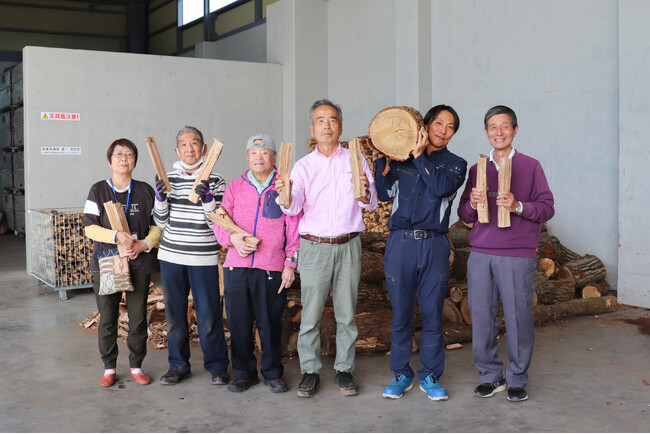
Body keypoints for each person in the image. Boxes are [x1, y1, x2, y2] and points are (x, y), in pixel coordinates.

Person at [275, 99, 378, 398]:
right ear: (312, 128)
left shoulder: (356, 160)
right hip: (315, 247)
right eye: (320, 120)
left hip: (348, 245)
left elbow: (369, 203)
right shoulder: (304, 165)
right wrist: (286, 194)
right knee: (312, 314)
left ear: (340, 126)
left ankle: (344, 370)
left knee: (347, 313)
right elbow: (293, 209)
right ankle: (309, 370)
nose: (326, 125)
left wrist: (366, 189)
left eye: (332, 120)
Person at [458, 105, 555, 402]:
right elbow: (464, 214)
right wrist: (473, 203)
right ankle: (490, 376)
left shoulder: (531, 166)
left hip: (517, 253)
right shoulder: (477, 168)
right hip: (481, 253)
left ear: (514, 129)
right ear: (486, 132)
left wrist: (518, 206)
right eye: (492, 127)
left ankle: (517, 378)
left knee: (517, 317)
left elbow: (547, 208)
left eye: (504, 126)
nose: (498, 132)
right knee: (482, 317)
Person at [375, 105, 467, 401]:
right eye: (438, 123)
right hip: (400, 243)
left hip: (434, 245)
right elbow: (383, 194)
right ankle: (401, 373)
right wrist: (383, 159)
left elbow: (440, 188)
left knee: (432, 315)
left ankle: (430, 374)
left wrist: (418, 155)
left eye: (450, 126)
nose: (443, 129)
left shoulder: (455, 164)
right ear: (425, 125)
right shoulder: (402, 159)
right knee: (400, 315)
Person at [214, 134, 300, 393]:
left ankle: (273, 373)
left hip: (271, 267)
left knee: (271, 323)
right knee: (239, 323)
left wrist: (290, 263)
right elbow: (219, 220)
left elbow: (293, 227)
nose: (259, 157)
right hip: (236, 267)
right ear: (247, 157)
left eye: (264, 152)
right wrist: (233, 239)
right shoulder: (235, 187)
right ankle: (243, 373)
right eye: (253, 152)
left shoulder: (284, 186)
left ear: (274, 157)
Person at [153, 126, 230, 386]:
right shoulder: (168, 179)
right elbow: (161, 223)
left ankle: (217, 366)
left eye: (195, 143)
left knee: (208, 315)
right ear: (177, 150)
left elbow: (217, 224)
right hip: (172, 257)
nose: (189, 148)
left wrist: (208, 199)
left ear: (205, 149)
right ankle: (178, 366)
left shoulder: (216, 180)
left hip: (203, 258)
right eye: (184, 144)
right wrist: (160, 198)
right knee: (175, 315)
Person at [82, 138, 161, 387]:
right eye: (119, 154)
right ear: (110, 160)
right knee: (108, 317)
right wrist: (116, 236)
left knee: (137, 317)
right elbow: (89, 227)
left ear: (135, 161)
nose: (124, 158)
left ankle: (136, 365)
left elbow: (157, 226)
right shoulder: (98, 190)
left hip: (138, 261)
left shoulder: (146, 190)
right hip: (107, 261)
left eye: (129, 154)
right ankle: (109, 369)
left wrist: (144, 244)